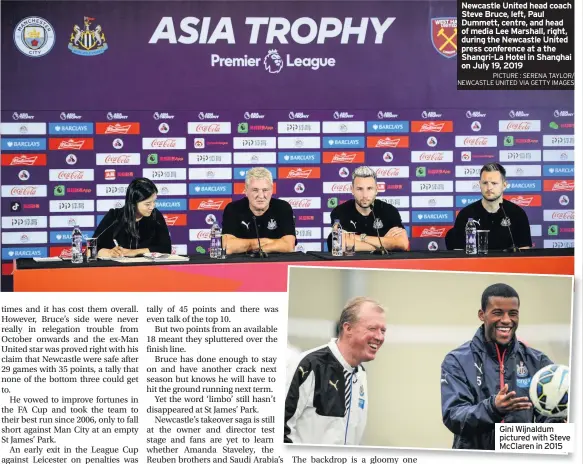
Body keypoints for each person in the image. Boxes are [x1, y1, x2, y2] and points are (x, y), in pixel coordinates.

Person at [440, 283, 563, 450]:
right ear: (482, 315)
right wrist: (493, 408)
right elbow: (453, 417)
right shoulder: (457, 360)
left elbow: (549, 423)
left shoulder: (538, 362)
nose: (506, 320)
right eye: (498, 313)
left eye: (513, 313)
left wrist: (560, 415)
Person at [284, 297, 386, 445]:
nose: (379, 337)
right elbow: (280, 428)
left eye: (383, 330)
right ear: (347, 328)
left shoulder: (360, 374)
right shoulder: (309, 365)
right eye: (372, 328)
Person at [449, 163, 532, 250]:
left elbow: (524, 253)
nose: (489, 187)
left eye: (494, 183)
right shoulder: (466, 214)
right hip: (475, 264)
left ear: (504, 185)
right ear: (479, 184)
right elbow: (458, 254)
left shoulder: (518, 214)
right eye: (485, 183)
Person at [327, 166, 408, 252]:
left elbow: (403, 244)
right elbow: (339, 244)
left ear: (376, 189)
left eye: (369, 188)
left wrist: (359, 238)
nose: (365, 195)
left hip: (383, 264)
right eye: (359, 189)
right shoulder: (340, 211)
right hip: (352, 264)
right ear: (352, 190)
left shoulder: (389, 211)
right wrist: (383, 243)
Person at [222, 167, 296, 254]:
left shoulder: (283, 208)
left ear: (272, 190)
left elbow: (289, 246)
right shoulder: (233, 208)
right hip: (241, 265)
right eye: (255, 190)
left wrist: (246, 245)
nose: (261, 196)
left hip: (276, 265)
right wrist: (266, 243)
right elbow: (227, 246)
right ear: (246, 190)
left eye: (265, 190)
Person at [93, 178, 171, 257]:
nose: (152, 207)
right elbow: (92, 248)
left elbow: (166, 248)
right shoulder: (114, 216)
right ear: (133, 203)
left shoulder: (156, 216)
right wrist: (110, 252)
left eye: (154, 202)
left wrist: (134, 252)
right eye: (147, 204)